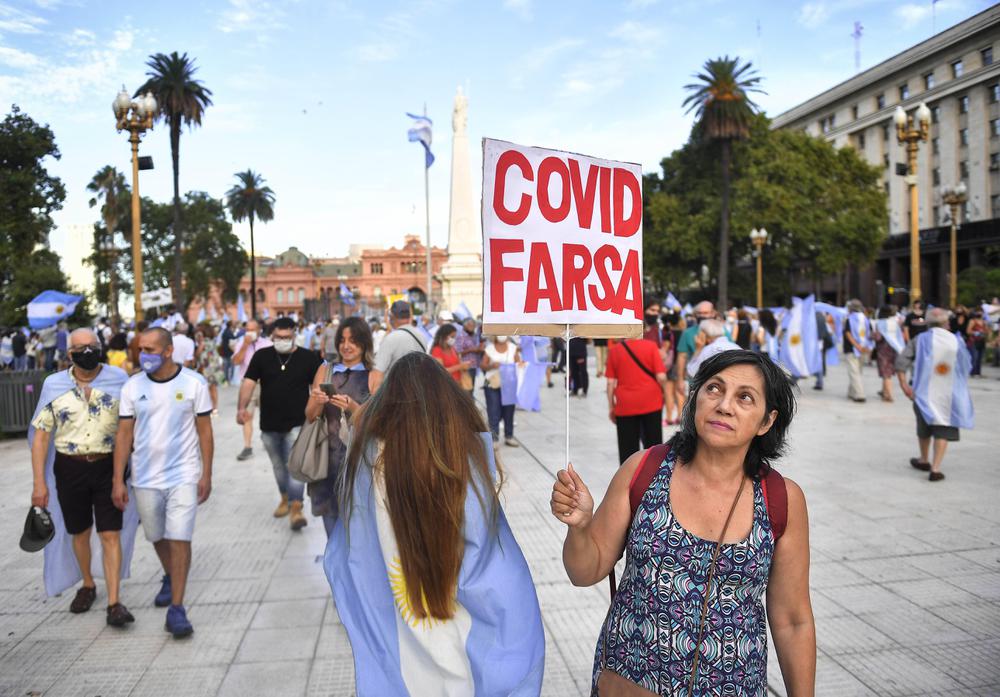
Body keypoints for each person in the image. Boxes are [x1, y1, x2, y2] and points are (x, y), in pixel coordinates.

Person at [550, 350, 815, 695]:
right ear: (695, 397)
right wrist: (580, 526)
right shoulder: (643, 469)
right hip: (630, 683)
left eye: (745, 398)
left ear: (766, 421)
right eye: (714, 389)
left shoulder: (781, 499)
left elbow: (792, 620)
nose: (724, 405)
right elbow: (584, 571)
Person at [326, 351, 544, 695]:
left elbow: (350, 556)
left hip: (400, 643)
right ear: (450, 404)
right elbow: (496, 572)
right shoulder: (465, 460)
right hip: (463, 648)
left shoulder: (366, 464)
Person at [28, 329, 136, 625]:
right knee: (80, 531)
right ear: (69, 353)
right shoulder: (54, 384)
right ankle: (87, 584)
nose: (87, 351)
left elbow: (130, 427)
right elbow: (40, 438)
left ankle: (115, 603)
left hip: (108, 466)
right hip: (69, 467)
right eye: (80, 347)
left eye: (93, 346)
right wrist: (39, 483)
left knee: (111, 533)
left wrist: (122, 476)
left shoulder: (118, 379)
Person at [112, 327, 214, 638]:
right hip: (144, 476)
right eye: (141, 349)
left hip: (183, 473)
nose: (144, 355)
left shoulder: (194, 383)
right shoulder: (132, 387)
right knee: (157, 535)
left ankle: (177, 609)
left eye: (151, 350)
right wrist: (118, 479)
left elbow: (205, 432)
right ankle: (171, 576)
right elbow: (124, 434)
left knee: (180, 536)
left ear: (168, 351)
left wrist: (206, 473)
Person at [239, 317, 323, 529]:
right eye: (278, 337)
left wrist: (318, 411)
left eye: (287, 337)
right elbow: (249, 382)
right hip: (269, 424)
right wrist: (242, 407)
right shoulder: (262, 356)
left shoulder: (308, 358)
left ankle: (296, 507)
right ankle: (285, 497)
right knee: (278, 466)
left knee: (294, 466)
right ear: (272, 336)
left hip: (298, 423)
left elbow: (318, 387)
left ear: (294, 335)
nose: (283, 340)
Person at [305, 317, 372, 536]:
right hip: (328, 462)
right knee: (333, 532)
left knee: (360, 533)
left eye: (353, 340)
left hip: (362, 463)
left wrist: (353, 407)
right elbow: (310, 415)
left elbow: (378, 422)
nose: (346, 346)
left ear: (364, 343)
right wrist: (317, 400)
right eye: (342, 340)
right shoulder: (326, 370)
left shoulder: (374, 375)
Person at [896, 307, 975, 482]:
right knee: (943, 428)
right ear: (947, 322)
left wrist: (903, 385)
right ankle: (936, 468)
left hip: (923, 393)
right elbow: (966, 365)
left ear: (927, 323)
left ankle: (923, 459)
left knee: (924, 428)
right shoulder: (956, 341)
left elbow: (901, 361)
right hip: (949, 393)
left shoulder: (919, 340)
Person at [605, 335, 668, 464]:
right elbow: (661, 377)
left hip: (625, 405)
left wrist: (611, 407)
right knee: (654, 446)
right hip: (651, 401)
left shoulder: (615, 350)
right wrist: (665, 393)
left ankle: (627, 479)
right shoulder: (651, 346)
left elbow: (610, 383)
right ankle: (655, 477)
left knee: (627, 449)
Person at [232, 319, 271, 460]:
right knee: (246, 415)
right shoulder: (241, 343)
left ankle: (269, 440)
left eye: (252, 329)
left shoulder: (267, 344)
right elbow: (236, 361)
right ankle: (247, 447)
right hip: (248, 384)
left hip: (265, 384)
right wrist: (245, 345)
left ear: (259, 330)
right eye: (247, 329)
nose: (250, 332)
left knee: (268, 414)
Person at [369, 300, 426, 393]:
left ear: (392, 317)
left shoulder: (391, 339)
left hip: (395, 395)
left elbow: (377, 374)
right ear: (409, 317)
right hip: (417, 392)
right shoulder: (421, 336)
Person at [481, 335, 521, 446]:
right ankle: (494, 439)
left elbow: (519, 364)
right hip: (491, 383)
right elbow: (482, 365)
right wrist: (492, 366)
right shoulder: (489, 348)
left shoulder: (513, 347)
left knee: (509, 411)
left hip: (509, 384)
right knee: (493, 411)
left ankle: (509, 436)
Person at [675, 300, 721, 379]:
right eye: (699, 313)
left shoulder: (722, 331)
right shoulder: (687, 333)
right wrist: (680, 379)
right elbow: (682, 356)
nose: (702, 316)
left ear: (713, 314)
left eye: (705, 313)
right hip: (694, 379)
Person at [844, 299, 872, 403]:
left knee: (854, 372)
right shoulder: (865, 319)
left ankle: (860, 394)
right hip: (863, 348)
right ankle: (851, 392)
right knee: (857, 371)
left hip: (851, 349)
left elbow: (848, 334)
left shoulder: (849, 319)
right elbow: (869, 333)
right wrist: (866, 347)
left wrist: (856, 346)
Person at [873, 306, 902, 402]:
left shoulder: (880, 323)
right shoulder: (895, 323)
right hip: (894, 349)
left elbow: (878, 337)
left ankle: (888, 395)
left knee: (886, 374)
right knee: (889, 371)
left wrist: (872, 336)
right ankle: (884, 391)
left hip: (883, 350)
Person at [194, 326, 225, 414]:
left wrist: (199, 344)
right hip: (214, 368)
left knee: (207, 389)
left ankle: (210, 407)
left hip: (206, 368)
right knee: (213, 388)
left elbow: (198, 354)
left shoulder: (204, 342)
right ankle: (215, 408)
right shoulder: (213, 341)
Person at [454, 317, 484, 393]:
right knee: (466, 391)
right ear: (464, 325)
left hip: (473, 366)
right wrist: (471, 350)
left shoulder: (474, 335)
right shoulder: (461, 336)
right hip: (465, 366)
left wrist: (479, 349)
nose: (472, 327)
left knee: (470, 389)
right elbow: (457, 352)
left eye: (473, 325)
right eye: (470, 325)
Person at [967, 310, 987, 377]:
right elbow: (968, 331)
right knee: (975, 357)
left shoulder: (984, 322)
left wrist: (984, 332)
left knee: (980, 358)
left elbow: (987, 331)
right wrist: (975, 333)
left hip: (981, 341)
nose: (980, 313)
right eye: (978, 312)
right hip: (973, 341)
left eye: (981, 312)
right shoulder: (973, 321)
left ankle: (978, 373)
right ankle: (972, 372)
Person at [219, 320, 236, 385]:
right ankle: (229, 379)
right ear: (231, 325)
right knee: (230, 366)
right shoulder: (229, 332)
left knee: (226, 366)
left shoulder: (225, 331)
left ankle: (227, 379)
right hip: (229, 352)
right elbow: (232, 340)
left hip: (225, 351)